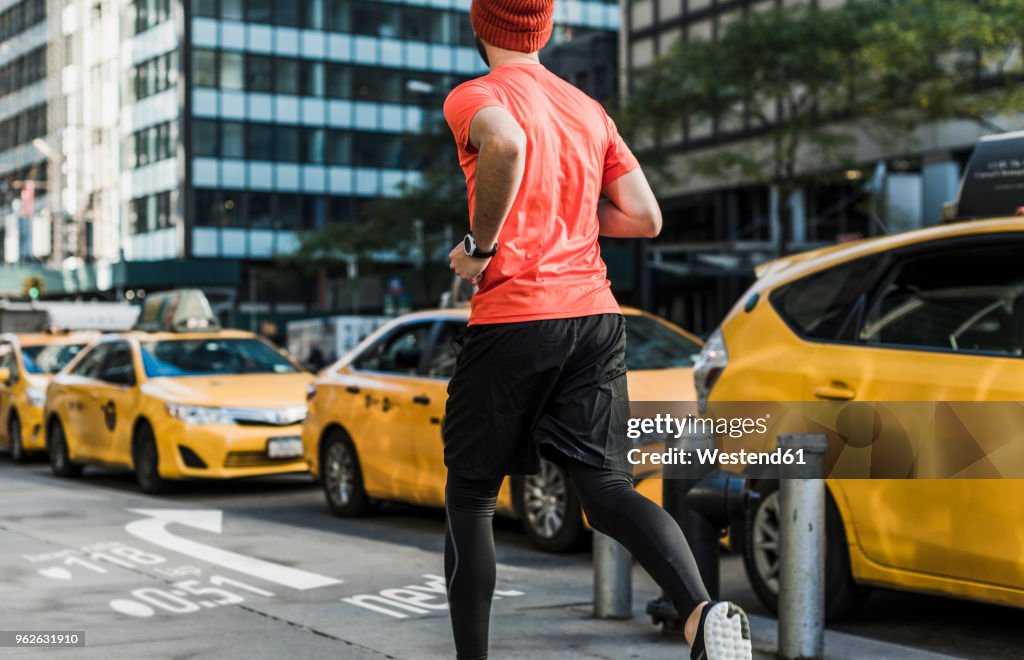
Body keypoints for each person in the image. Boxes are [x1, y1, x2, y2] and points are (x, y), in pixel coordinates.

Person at [441, 1, 754, 659]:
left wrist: (482, 243)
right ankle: (701, 613)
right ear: (544, 30)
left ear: (479, 26)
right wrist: (574, 212)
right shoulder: (588, 110)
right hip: (595, 317)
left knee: (471, 494)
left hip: (517, 314)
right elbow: (644, 217)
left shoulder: (477, 94)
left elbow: (505, 142)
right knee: (607, 490)